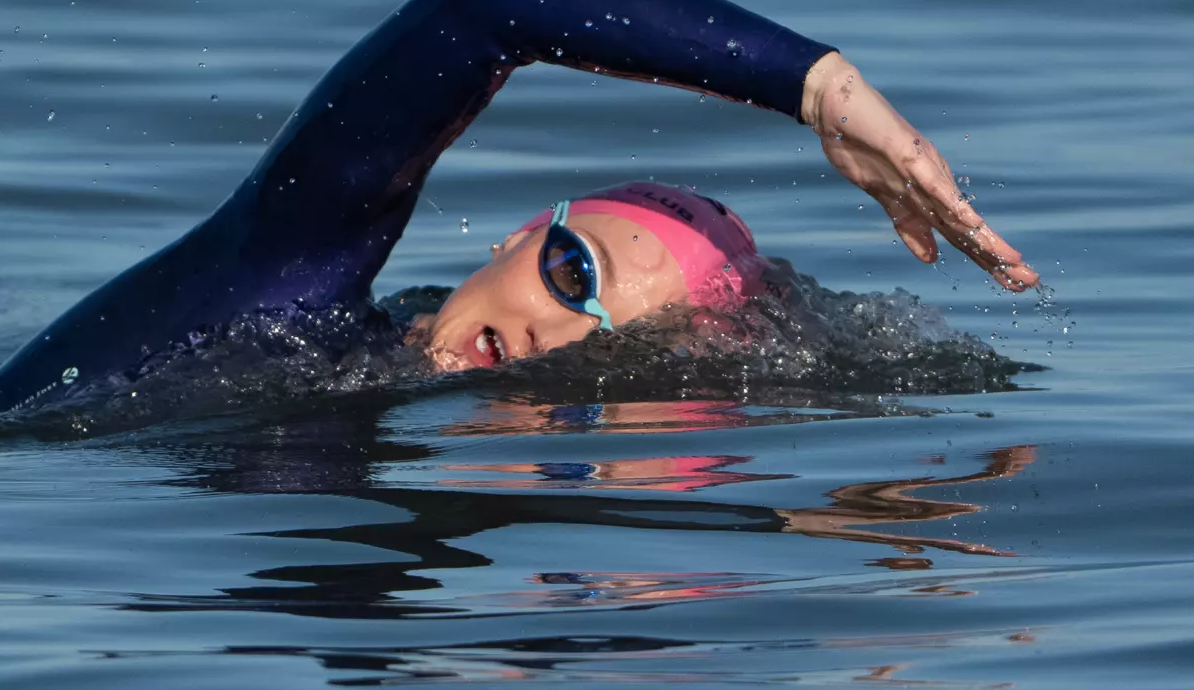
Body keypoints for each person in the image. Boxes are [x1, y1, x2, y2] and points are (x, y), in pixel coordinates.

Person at [0, 0, 1038, 414]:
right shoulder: (277, 288)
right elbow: (486, 9)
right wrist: (820, 87)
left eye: (609, 356)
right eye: (573, 273)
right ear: (519, 236)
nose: (556, 340)